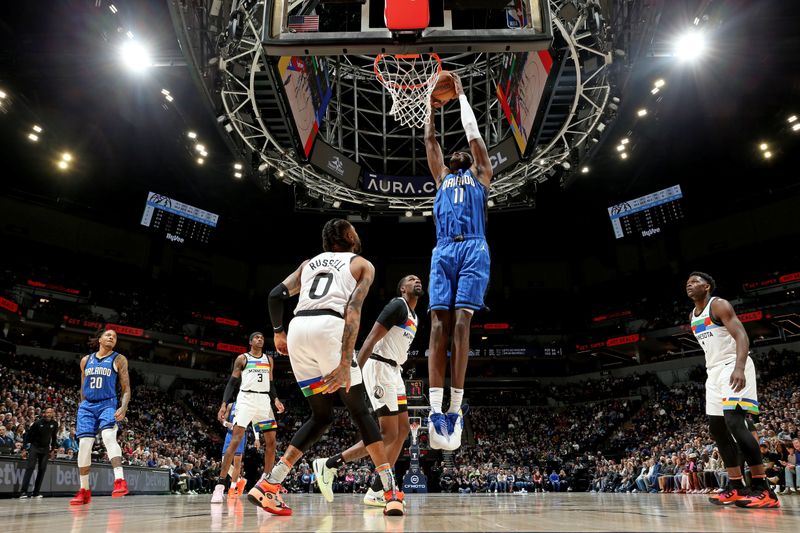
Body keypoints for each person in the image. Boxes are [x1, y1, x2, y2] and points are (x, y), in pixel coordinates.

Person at [249, 218, 404, 516]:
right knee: (359, 411)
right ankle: (390, 491)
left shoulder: (308, 264)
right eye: (354, 230)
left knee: (321, 416)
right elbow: (353, 309)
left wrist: (279, 331)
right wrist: (346, 361)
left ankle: (270, 484)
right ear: (347, 235)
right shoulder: (362, 265)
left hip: (298, 330)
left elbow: (274, 295)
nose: (358, 234)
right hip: (329, 328)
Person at [423, 71, 492, 451]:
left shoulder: (482, 175)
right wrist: (430, 108)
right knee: (437, 324)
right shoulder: (442, 177)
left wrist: (462, 94)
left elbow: (474, 136)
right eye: (456, 154)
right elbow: (430, 139)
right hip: (444, 247)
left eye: (463, 152)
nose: (460, 152)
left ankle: (456, 405)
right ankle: (436, 409)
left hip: (474, 248)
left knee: (463, 322)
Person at [313, 274, 423, 507]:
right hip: (378, 366)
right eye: (411, 279)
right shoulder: (397, 305)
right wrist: (354, 373)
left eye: (419, 279)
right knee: (388, 434)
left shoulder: (415, 317)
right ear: (402, 288)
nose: (417, 281)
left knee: (403, 431)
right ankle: (330, 464)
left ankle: (376, 491)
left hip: (395, 371)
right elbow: (371, 338)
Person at [686, 272, 780, 508]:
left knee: (735, 423)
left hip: (733, 365)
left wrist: (739, 366)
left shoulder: (718, 305)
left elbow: (741, 335)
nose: (689, 285)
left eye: (695, 282)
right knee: (717, 429)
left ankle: (763, 488)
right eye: (687, 282)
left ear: (707, 286)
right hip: (714, 372)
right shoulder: (693, 316)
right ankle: (736, 486)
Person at [211, 332, 284, 503]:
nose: (260, 339)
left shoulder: (269, 360)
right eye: (257, 337)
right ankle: (220, 486)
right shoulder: (242, 358)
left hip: (264, 400)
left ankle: (265, 483)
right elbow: (231, 382)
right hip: (246, 399)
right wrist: (223, 403)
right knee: (235, 441)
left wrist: (276, 399)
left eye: (262, 337)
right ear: (250, 342)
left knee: (272, 442)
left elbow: (271, 383)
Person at [70, 329, 131, 505]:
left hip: (107, 403)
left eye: (115, 336)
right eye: (108, 335)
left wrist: (123, 406)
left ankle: (120, 480)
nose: (112, 337)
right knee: (84, 445)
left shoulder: (118, 359)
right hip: (88, 405)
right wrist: (83, 405)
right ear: (100, 339)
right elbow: (83, 387)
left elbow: (126, 388)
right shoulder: (85, 360)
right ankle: (84, 490)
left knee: (108, 436)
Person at [220, 401, 260, 498]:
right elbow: (222, 420)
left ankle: (232, 488)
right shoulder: (231, 405)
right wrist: (226, 424)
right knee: (224, 461)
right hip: (229, 434)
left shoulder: (249, 406)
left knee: (237, 462)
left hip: (240, 435)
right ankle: (239, 480)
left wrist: (257, 438)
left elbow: (255, 423)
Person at [19, 407, 58, 498]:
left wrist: (52, 450)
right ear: (44, 413)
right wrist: (24, 449)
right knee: (30, 468)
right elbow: (28, 435)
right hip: (35, 447)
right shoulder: (38, 423)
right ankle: (23, 492)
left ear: (52, 414)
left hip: (45, 449)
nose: (48, 414)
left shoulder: (55, 424)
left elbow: (54, 437)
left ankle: (35, 492)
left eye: (50, 412)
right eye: (47, 412)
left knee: (42, 469)